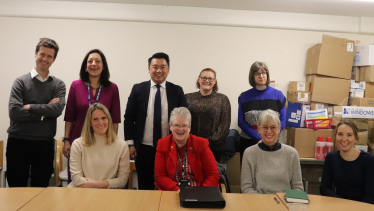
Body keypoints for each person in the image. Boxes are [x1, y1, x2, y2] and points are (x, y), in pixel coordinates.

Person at [6, 38, 66, 187]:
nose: (45, 59)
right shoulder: (20, 82)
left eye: (49, 56)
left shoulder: (58, 84)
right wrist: (46, 111)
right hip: (18, 142)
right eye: (42, 54)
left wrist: (29, 107)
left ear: (54, 59)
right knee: (16, 190)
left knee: (40, 192)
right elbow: (14, 112)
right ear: (35, 54)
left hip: (44, 144)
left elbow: (57, 109)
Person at [124, 52, 187, 190]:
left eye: (163, 67)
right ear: (149, 68)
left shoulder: (177, 91)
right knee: (145, 186)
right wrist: (130, 144)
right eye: (155, 67)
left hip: (170, 148)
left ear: (168, 69)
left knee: (168, 186)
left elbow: (184, 119)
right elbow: (129, 118)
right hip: (144, 148)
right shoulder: (138, 89)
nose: (159, 70)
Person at [63, 49, 121, 181]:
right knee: (78, 181)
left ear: (103, 66)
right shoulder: (75, 85)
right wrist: (66, 140)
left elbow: (115, 119)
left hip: (103, 142)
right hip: (78, 139)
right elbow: (69, 117)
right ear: (85, 66)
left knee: (100, 179)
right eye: (90, 61)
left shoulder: (112, 88)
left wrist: (112, 143)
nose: (93, 64)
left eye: (98, 61)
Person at [154, 107, 220, 191]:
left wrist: (201, 193)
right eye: (177, 125)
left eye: (184, 125)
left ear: (189, 127)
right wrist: (178, 190)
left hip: (199, 191)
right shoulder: (162, 144)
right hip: (172, 191)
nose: (180, 129)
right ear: (170, 126)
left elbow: (213, 175)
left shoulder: (201, 144)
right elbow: (160, 177)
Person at [241, 109, 303, 194]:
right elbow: (246, 188)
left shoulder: (292, 153)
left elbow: (298, 188)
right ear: (259, 129)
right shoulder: (249, 153)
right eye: (265, 127)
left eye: (273, 127)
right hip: (259, 203)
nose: (269, 131)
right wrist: (265, 203)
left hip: (285, 203)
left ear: (279, 128)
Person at [68, 103, 130, 188]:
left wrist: (97, 184)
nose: (100, 123)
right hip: (82, 190)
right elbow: (76, 177)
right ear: (89, 123)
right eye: (95, 119)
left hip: (108, 193)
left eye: (104, 118)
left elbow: (123, 180)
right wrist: (94, 186)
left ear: (109, 120)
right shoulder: (78, 144)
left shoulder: (122, 146)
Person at [238, 61, 286, 164]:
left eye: (264, 73)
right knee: (248, 174)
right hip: (248, 142)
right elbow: (241, 122)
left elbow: (283, 120)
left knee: (270, 173)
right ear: (252, 76)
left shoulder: (278, 95)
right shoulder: (244, 96)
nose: (261, 76)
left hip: (271, 141)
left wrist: (268, 136)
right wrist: (259, 138)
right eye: (257, 73)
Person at [320, 119, 374, 204]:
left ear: (355, 138)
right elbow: (324, 188)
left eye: (349, 135)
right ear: (335, 137)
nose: (344, 139)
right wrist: (343, 205)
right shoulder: (331, 157)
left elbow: (371, 196)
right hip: (339, 205)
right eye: (340, 134)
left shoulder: (369, 160)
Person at [185, 68, 231, 162]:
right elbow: (182, 122)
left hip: (214, 148)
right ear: (199, 79)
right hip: (190, 146)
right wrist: (192, 142)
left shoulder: (222, 99)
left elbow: (224, 125)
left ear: (215, 81)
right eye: (204, 78)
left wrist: (207, 143)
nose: (207, 81)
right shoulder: (187, 98)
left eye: (210, 78)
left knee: (211, 175)